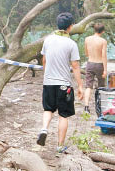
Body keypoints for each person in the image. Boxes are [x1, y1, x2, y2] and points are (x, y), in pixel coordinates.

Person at [37, 12, 84, 153]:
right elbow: (75, 66)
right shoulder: (71, 43)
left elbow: (44, 60)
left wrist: (47, 74)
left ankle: (44, 129)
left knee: (48, 109)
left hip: (49, 82)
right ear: (70, 26)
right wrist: (80, 85)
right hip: (64, 84)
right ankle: (60, 146)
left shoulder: (48, 40)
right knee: (63, 115)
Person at [83, 23, 107, 114]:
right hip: (99, 64)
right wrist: (105, 69)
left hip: (90, 63)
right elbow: (104, 55)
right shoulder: (103, 41)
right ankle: (100, 105)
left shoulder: (87, 39)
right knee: (101, 86)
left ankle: (86, 106)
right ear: (103, 31)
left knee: (88, 86)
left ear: (94, 29)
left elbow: (86, 53)